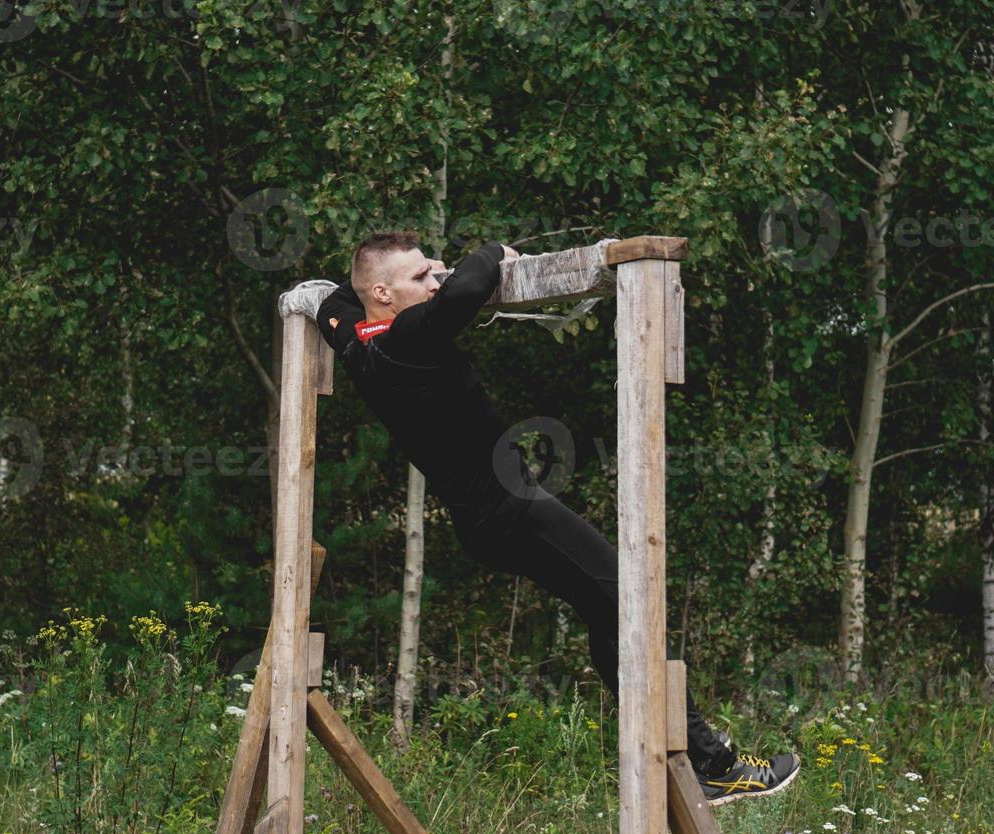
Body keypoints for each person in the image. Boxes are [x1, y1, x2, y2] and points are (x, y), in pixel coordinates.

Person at [313, 231, 799, 805]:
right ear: (383, 294)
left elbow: (332, 301)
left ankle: (687, 755)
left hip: (492, 518)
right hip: (511, 511)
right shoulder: (410, 338)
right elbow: (467, 288)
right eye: (419, 276)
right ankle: (713, 763)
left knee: (610, 609)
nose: (435, 279)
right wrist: (494, 251)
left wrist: (366, 286)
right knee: (631, 595)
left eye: (432, 271)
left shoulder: (357, 337)